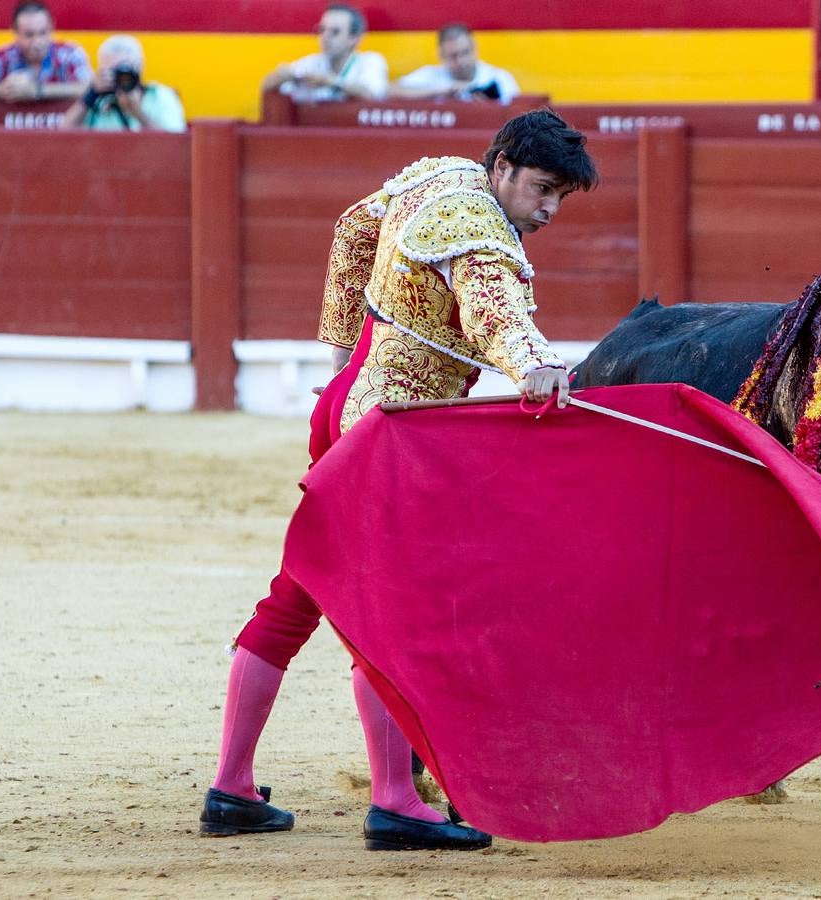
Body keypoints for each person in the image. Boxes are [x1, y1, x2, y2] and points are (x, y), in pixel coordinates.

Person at [199, 109, 597, 851]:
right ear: (503, 164)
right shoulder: (476, 228)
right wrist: (533, 364)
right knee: (390, 614)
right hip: (390, 436)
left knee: (296, 595)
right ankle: (392, 801)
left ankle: (233, 787)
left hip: (347, 403)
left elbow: (354, 229)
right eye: (542, 189)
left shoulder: (438, 174)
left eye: (559, 199)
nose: (546, 210)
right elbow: (492, 313)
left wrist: (343, 349)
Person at [261, 3, 387, 104]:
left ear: (354, 39)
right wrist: (283, 76)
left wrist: (331, 82)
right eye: (322, 30)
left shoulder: (370, 61)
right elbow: (266, 86)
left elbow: (371, 94)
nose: (325, 37)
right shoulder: (310, 63)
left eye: (335, 32)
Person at [61, 35, 185, 132]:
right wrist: (91, 94)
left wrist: (137, 113)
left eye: (124, 70)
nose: (119, 77)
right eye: (111, 72)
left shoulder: (161, 96)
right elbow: (63, 135)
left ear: (139, 67)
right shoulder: (98, 101)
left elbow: (173, 145)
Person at [391, 23, 520, 104]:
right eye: (453, 56)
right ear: (441, 56)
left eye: (465, 52)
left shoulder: (499, 78)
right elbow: (392, 90)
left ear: (474, 49)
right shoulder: (431, 75)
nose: (461, 61)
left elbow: (517, 115)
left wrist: (488, 109)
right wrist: (439, 92)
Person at [0, 1, 89, 103]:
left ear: (51, 27)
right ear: (15, 32)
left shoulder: (69, 54)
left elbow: (90, 88)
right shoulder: (1, 58)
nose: (37, 42)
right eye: (29, 35)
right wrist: (2, 90)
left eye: (43, 32)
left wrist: (39, 91)